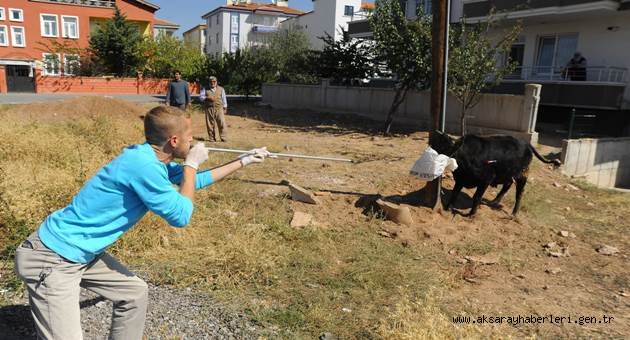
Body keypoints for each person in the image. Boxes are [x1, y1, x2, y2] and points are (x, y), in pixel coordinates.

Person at [14, 105, 270, 340]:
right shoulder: (143, 166)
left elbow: (192, 182)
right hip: (52, 258)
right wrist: (191, 164)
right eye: (190, 136)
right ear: (174, 140)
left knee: (133, 293)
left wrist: (243, 161)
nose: (194, 141)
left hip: (80, 253)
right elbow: (181, 216)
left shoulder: (149, 159)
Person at [200, 76, 228, 142]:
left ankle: (223, 138)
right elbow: (201, 97)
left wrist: (225, 107)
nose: (212, 83)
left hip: (219, 108)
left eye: (214, 81)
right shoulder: (205, 89)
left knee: (221, 123)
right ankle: (212, 138)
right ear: (209, 82)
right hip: (209, 108)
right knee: (210, 124)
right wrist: (207, 98)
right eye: (211, 82)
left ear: (216, 82)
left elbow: (224, 99)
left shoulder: (221, 89)